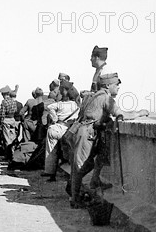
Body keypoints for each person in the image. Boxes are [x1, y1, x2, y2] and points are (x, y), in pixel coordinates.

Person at [68, 73, 149, 208]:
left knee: (94, 159)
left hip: (83, 132)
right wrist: (139, 113)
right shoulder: (106, 98)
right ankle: (75, 200)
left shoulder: (91, 95)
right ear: (107, 85)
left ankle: (91, 183)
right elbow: (121, 115)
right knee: (80, 167)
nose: (118, 88)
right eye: (116, 85)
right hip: (86, 134)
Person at [42, 81, 79, 182]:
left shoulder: (58, 104)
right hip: (68, 130)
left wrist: (54, 118)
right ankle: (71, 174)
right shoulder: (75, 105)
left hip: (56, 128)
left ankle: (51, 174)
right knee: (70, 153)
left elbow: (49, 107)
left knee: (51, 152)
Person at [0, 85, 19, 162]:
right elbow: (16, 110)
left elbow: (2, 114)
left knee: (7, 139)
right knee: (13, 137)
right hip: (12, 119)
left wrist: (0, 122)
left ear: (4, 94)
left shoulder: (4, 102)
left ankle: (9, 156)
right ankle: (14, 154)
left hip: (6, 120)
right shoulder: (13, 101)